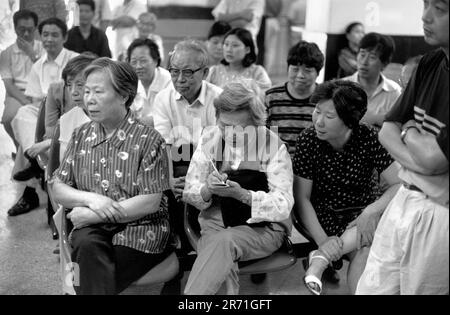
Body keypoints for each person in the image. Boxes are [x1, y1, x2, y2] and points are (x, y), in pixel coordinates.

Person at [51, 58, 173, 295]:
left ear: (124, 96)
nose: (89, 99)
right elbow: (59, 187)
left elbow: (150, 201)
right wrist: (93, 200)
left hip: (141, 229)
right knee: (86, 246)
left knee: (89, 267)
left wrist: (94, 214)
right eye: (87, 91)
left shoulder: (149, 140)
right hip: (89, 225)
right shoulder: (80, 135)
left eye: (98, 91)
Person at [357, 0, 449, 295]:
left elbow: (436, 159)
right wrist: (416, 139)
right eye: (425, 4)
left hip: (440, 214)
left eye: (440, 8)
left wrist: (407, 128)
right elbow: (386, 131)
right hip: (405, 199)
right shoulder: (431, 62)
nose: (425, 16)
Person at [183, 80, 294, 295]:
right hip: (215, 222)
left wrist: (242, 195)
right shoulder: (209, 138)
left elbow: (283, 205)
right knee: (221, 244)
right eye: (225, 125)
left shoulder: (273, 146)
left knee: (222, 243)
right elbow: (190, 191)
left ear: (257, 123)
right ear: (216, 119)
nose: (231, 134)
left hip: (263, 229)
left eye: (241, 128)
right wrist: (207, 189)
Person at [293, 80, 401, 295]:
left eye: (329, 116)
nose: (319, 122)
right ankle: (323, 255)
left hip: (362, 214)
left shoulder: (369, 137)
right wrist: (324, 241)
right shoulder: (308, 140)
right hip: (321, 214)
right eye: (317, 111)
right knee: (364, 246)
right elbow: (302, 198)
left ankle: (320, 261)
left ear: (350, 121)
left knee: (365, 249)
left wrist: (371, 210)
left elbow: (399, 183)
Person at [153, 39, 222, 254]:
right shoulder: (164, 99)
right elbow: (164, 145)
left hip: (213, 160)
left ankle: (204, 243)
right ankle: (177, 248)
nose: (180, 79)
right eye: (174, 72)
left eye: (189, 72)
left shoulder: (219, 98)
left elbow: (218, 147)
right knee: (171, 185)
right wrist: (169, 178)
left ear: (205, 72)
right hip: (176, 159)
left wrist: (198, 178)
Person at [7, 17, 78, 217]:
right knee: (22, 114)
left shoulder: (75, 59)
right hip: (46, 116)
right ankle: (37, 158)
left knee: (27, 143)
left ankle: (32, 179)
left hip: (72, 113)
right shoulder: (38, 66)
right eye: (45, 34)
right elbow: (36, 101)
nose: (49, 39)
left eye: (55, 34)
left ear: (64, 37)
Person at [28, 54, 97, 160]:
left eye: (79, 85)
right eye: (69, 85)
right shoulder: (66, 119)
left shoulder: (111, 115)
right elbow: (64, 163)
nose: (73, 91)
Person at [266, 40, 324, 157]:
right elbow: (263, 135)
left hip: (312, 164)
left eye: (307, 70)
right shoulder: (271, 96)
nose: (300, 75)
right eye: (295, 69)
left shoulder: (324, 98)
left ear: (317, 73)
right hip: (277, 162)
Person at [0, 9, 43, 151]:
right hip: (16, 93)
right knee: (8, 119)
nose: (25, 34)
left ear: (36, 28)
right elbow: (8, 84)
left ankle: (35, 151)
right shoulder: (6, 53)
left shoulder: (44, 48)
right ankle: (22, 150)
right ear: (15, 28)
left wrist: (33, 55)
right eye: (21, 29)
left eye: (30, 30)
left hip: (40, 91)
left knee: (40, 122)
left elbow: (47, 75)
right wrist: (24, 101)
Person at [343, 32, 402, 128]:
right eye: (362, 54)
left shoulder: (394, 92)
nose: (364, 62)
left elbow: (397, 127)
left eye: (372, 57)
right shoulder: (341, 87)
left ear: (384, 64)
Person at [207, 28, 271, 91]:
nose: (229, 49)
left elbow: (265, 96)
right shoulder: (214, 72)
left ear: (247, 49)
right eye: (226, 44)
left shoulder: (257, 72)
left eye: (235, 45)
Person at [127, 38, 171, 126]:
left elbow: (169, 115)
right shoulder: (130, 83)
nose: (138, 66)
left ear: (155, 61)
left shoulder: (168, 81)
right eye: (134, 62)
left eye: (143, 61)